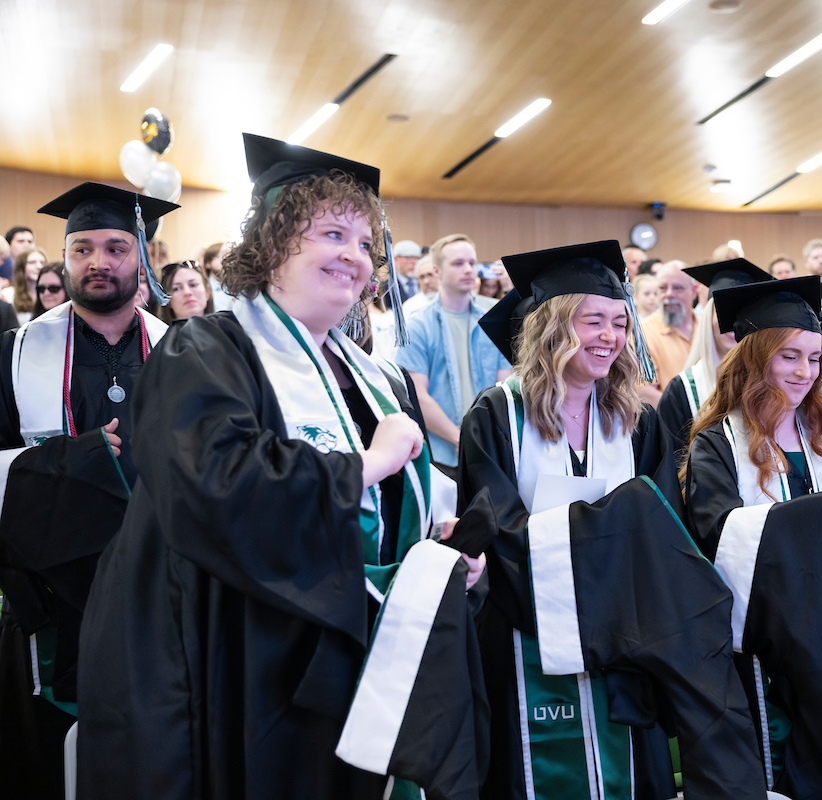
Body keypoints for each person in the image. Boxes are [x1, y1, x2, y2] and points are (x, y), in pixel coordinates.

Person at [78, 134, 486, 800]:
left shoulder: (373, 377)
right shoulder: (202, 348)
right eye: (331, 233)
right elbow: (215, 481)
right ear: (270, 244)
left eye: (363, 242)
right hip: (236, 660)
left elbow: (383, 519)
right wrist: (366, 464)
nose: (353, 257)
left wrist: (439, 555)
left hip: (349, 663)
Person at [460, 240, 765, 800]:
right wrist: (607, 537)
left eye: (620, 323)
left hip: (629, 638)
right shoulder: (497, 413)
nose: (610, 337)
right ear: (553, 327)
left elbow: (664, 529)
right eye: (593, 321)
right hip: (525, 631)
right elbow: (494, 525)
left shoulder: (638, 422)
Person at [684, 276, 822, 797]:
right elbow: (720, 541)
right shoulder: (716, 446)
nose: (804, 372)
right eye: (789, 356)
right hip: (769, 658)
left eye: (814, 358)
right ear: (754, 358)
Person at [0, 182, 178, 800]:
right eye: (82, 248)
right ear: (65, 256)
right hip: (58, 589)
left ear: (143, 257)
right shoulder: (15, 356)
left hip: (166, 585)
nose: (98, 261)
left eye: (115, 246)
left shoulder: (188, 352)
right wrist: (81, 461)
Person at [396, 233, 510, 469]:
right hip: (441, 454)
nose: (468, 269)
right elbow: (417, 394)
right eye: (458, 264)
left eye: (472, 262)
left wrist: (487, 439)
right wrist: (461, 439)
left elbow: (504, 386)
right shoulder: (418, 325)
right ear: (436, 271)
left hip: (491, 449)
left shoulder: (492, 321)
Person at [656, 258, 772, 463]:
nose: (734, 324)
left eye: (745, 312)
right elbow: (669, 465)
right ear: (709, 317)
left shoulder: (775, 382)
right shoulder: (681, 390)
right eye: (724, 312)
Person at [638, 260, 699, 406]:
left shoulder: (708, 328)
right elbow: (645, 393)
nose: (669, 294)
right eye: (663, 288)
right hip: (670, 424)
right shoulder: (643, 333)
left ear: (694, 291)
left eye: (678, 288)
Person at [12, 246, 47, 323]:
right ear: (21, 267)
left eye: (42, 262)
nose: (39, 266)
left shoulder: (51, 293)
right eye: (32, 262)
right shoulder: (9, 295)